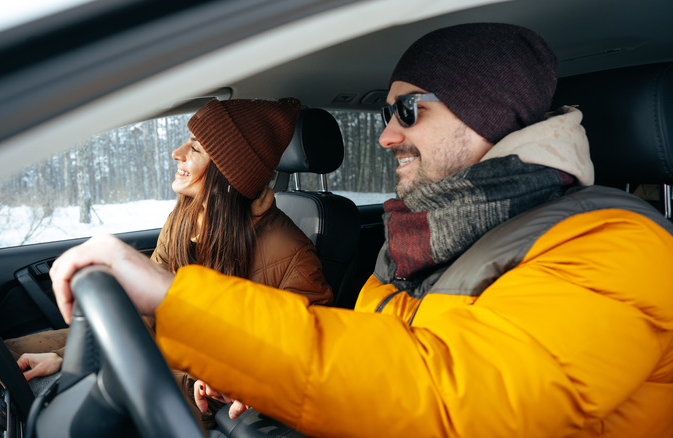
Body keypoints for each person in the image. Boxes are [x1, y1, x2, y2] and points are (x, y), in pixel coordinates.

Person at [48, 23, 673, 438]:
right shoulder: (417, 239)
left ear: (490, 112)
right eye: (384, 112)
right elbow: (378, 363)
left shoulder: (618, 246)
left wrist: (172, 300)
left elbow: (451, 398)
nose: (386, 135)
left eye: (410, 109)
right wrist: (260, 383)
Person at [7, 97, 333, 427]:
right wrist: (67, 359)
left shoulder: (294, 255)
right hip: (156, 356)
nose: (177, 153)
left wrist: (232, 382)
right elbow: (146, 315)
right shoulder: (182, 220)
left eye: (196, 148)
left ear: (228, 171)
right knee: (1, 357)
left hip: (200, 398)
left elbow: (306, 361)